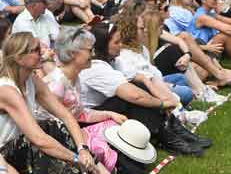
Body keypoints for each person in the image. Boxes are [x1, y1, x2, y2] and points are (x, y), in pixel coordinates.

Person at [0, 32, 126, 174]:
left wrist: (83, 149)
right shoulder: (7, 89)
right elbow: (38, 139)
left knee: (54, 125)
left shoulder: (31, 80)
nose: (43, 52)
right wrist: (75, 158)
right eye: (36, 50)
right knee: (37, 145)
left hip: (20, 146)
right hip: (0, 156)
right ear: (19, 58)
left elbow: (65, 115)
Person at [80, 21, 207, 156]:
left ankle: (172, 129)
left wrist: (163, 99)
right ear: (103, 46)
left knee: (142, 86)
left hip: (110, 109)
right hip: (91, 119)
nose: (121, 45)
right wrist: (161, 103)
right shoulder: (96, 67)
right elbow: (133, 95)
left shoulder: (114, 60)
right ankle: (166, 137)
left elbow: (143, 78)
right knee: (131, 97)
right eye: (116, 43)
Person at [43, 27, 145, 174]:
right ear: (72, 54)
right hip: (61, 139)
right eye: (89, 50)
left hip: (74, 130)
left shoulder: (74, 79)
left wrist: (110, 114)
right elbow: (54, 126)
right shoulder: (57, 85)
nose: (93, 54)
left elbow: (81, 113)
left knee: (114, 123)